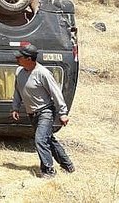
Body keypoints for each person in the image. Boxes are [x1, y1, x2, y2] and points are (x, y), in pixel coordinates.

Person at [11, 44, 75, 178]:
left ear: (29, 59)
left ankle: (48, 171)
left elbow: (56, 92)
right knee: (49, 140)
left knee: (40, 140)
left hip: (45, 111)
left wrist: (63, 113)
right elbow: (17, 91)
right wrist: (15, 107)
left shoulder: (43, 73)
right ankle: (67, 165)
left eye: (20, 56)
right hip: (32, 114)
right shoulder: (19, 72)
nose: (16, 58)